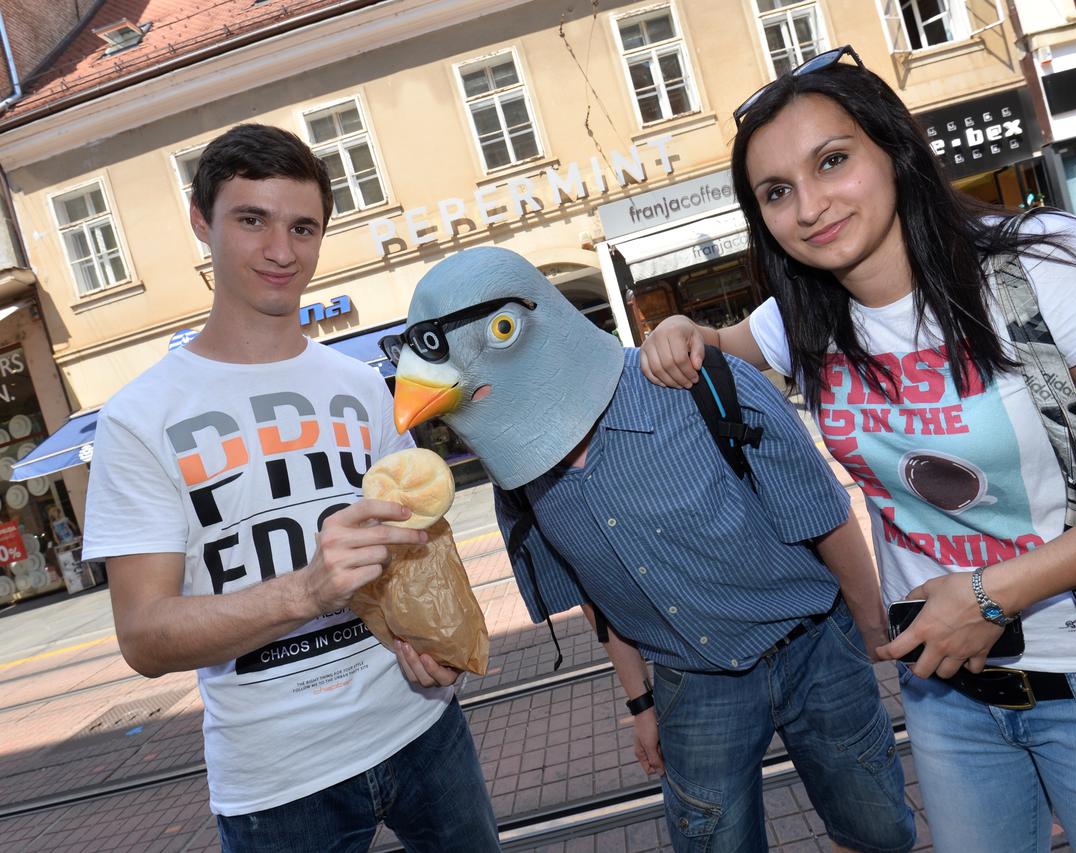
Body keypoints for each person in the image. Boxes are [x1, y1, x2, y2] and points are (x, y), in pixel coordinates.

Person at [638, 45, 1076, 852]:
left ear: (894, 149)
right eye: (777, 192)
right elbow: (714, 346)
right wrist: (680, 331)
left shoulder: (1041, 263)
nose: (812, 205)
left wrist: (995, 591)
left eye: (833, 161)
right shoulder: (805, 318)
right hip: (946, 697)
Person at [385, 246, 916, 853]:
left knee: (875, 831)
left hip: (817, 648)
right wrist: (640, 702)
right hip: (693, 682)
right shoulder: (522, 483)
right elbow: (599, 603)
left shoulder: (699, 384)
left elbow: (825, 517)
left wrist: (874, 629)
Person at [81, 124, 500, 852]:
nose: (282, 251)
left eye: (303, 227)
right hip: (279, 781)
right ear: (200, 220)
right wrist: (305, 593)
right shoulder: (138, 419)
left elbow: (414, 552)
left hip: (422, 729)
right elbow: (143, 636)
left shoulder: (364, 388)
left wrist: (432, 645)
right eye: (253, 220)